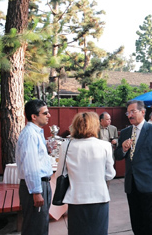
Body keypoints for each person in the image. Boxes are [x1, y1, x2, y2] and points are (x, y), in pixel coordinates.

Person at [114, 100, 152, 235]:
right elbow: (117, 156)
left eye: (133, 111)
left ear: (143, 112)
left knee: (150, 222)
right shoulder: (126, 132)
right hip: (131, 184)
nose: (130, 115)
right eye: (128, 112)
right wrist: (122, 148)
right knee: (136, 221)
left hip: (148, 183)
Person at [56, 112, 116, 235]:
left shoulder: (66, 145)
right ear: (95, 126)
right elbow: (110, 174)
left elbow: (60, 173)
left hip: (76, 198)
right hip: (99, 197)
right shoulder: (105, 145)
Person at [16, 99, 53, 235]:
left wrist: (47, 149)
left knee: (40, 225)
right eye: (45, 113)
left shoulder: (36, 133)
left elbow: (36, 158)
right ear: (34, 116)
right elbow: (30, 166)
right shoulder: (30, 135)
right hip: (35, 187)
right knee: (35, 228)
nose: (49, 115)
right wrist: (37, 192)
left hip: (39, 185)